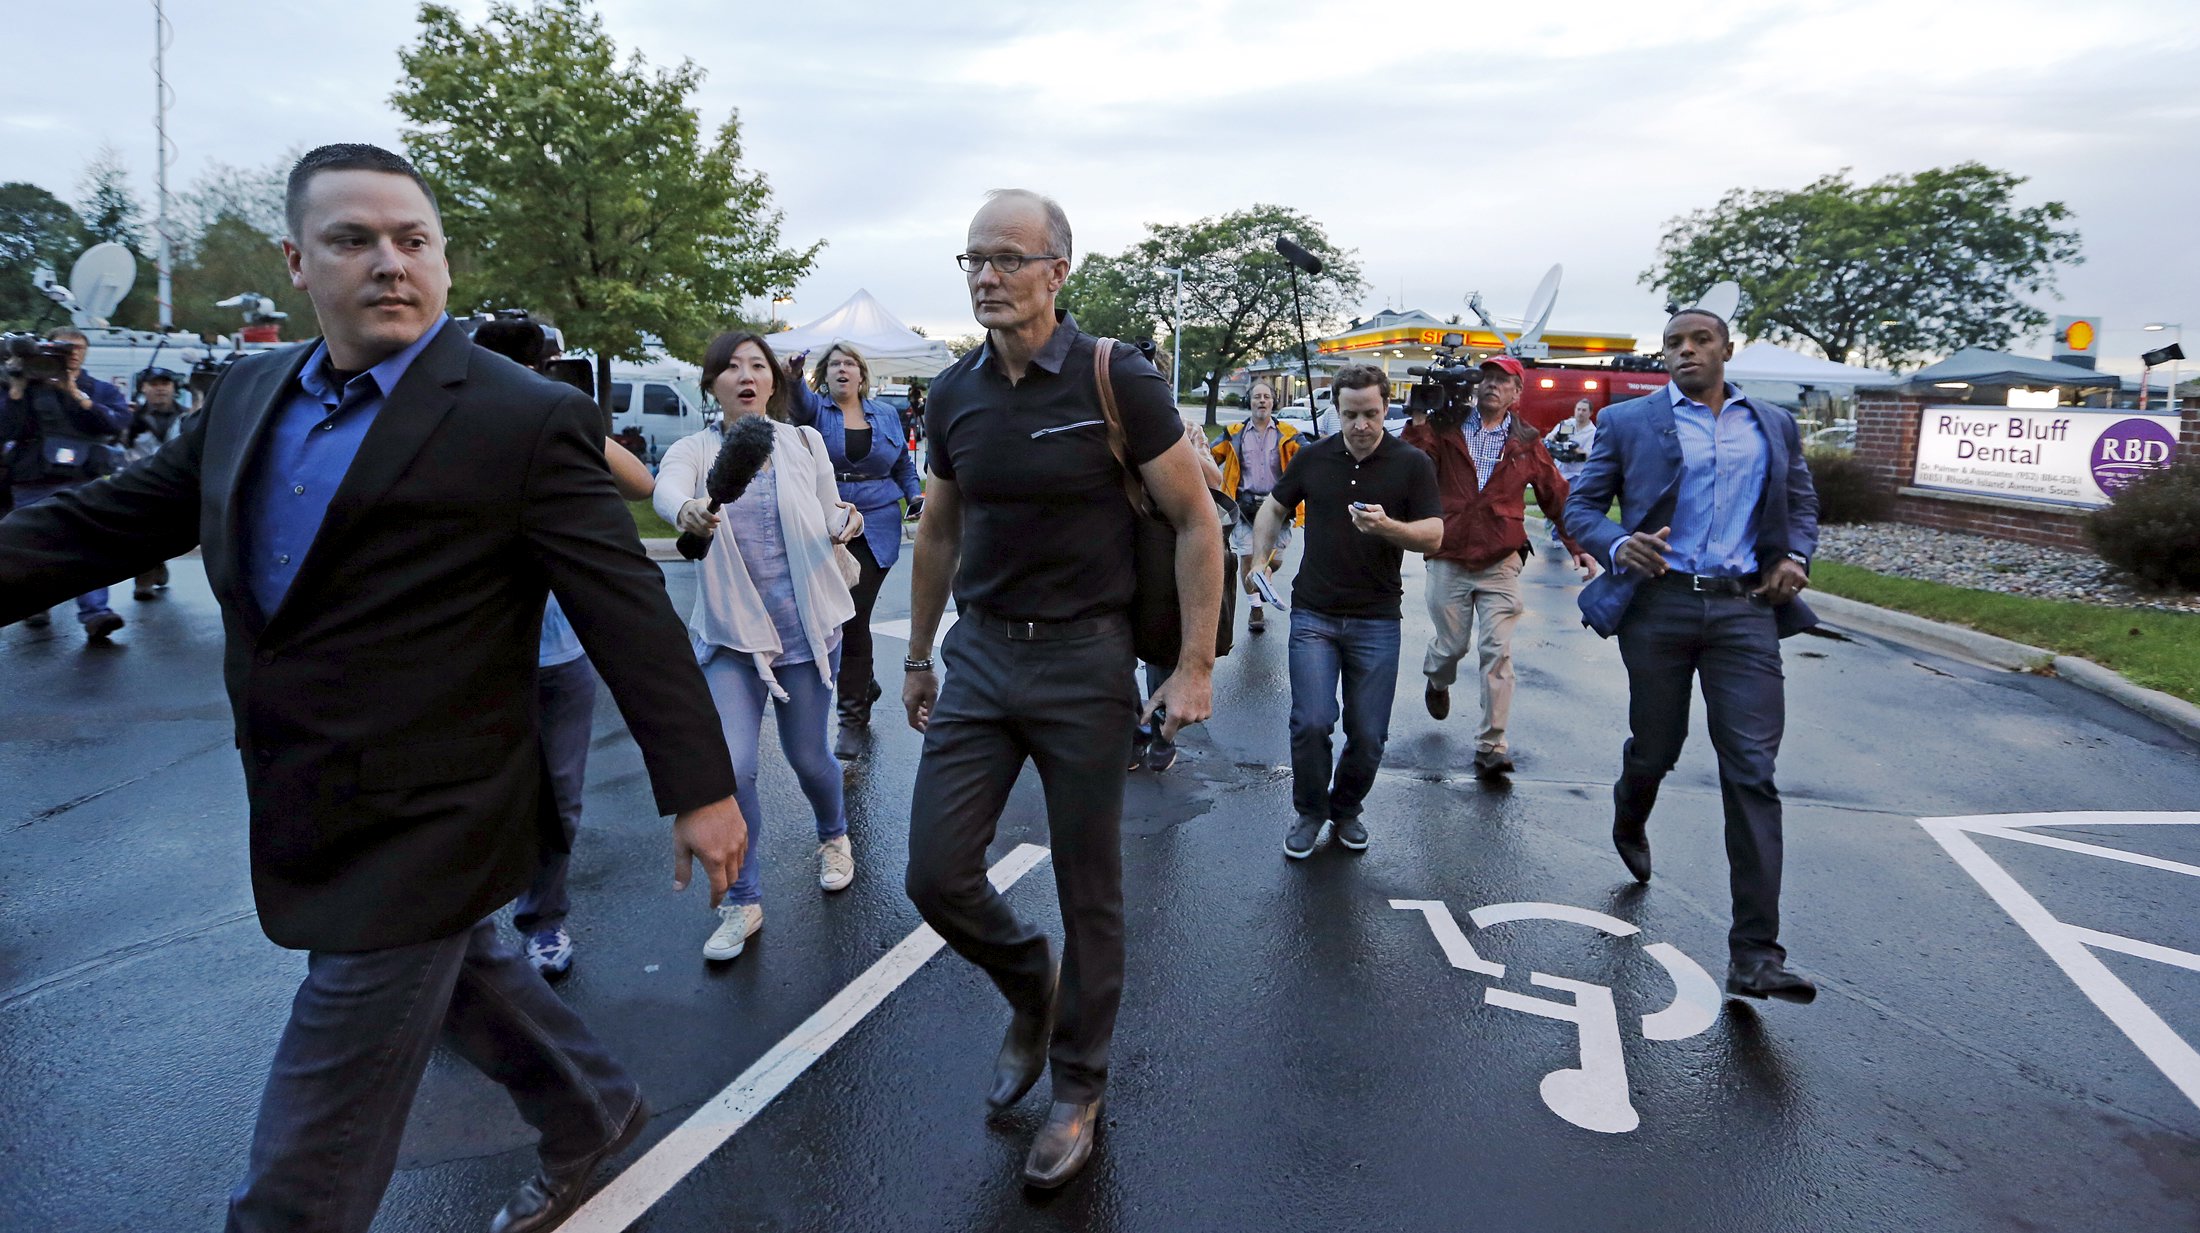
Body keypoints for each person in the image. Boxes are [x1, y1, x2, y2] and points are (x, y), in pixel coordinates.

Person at [0, 143, 748, 1233]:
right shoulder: (249, 393)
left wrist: (702, 786)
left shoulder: (519, 417)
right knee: (474, 983)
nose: (389, 263)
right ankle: (591, 1111)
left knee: (301, 1181)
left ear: (442, 261)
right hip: (304, 797)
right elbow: (97, 526)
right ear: (300, 262)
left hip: (434, 818)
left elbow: (624, 610)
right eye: (354, 240)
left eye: (413, 240)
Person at [902, 188, 1222, 1189]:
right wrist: (917, 653)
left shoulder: (1113, 376)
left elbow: (1197, 521)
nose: (988, 276)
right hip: (983, 657)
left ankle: (1078, 1088)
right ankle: (1028, 987)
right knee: (933, 873)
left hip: (1086, 660)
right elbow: (940, 531)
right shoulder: (953, 393)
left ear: (1057, 270)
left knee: (1093, 892)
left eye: (1007, 258)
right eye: (973, 261)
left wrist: (1195, 664)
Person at [1563, 307, 1821, 1005]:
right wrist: (1619, 543)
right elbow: (1580, 507)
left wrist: (1795, 556)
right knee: (1658, 742)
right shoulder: (1628, 422)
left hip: (1746, 609)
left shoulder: (1772, 423)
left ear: (1726, 349)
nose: (1685, 351)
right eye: (1673, 342)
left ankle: (1756, 953)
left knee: (1752, 770)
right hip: (1660, 603)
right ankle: (1630, 805)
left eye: (1699, 340)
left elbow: (1800, 503)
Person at [658, 330, 863, 961]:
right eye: (731, 367)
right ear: (712, 382)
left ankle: (834, 835)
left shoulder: (804, 441)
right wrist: (686, 511)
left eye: (757, 366)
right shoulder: (695, 449)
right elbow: (670, 490)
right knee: (735, 765)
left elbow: (832, 510)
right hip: (732, 637)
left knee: (809, 759)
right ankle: (741, 899)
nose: (745, 376)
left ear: (773, 381)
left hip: (806, 632)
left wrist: (845, 521)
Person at [471, 317, 659, 981]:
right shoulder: (453, 433)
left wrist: (568, 419)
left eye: (540, 368)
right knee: (467, 798)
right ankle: (454, 940)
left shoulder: (558, 426)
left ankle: (544, 919)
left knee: (560, 796)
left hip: (561, 657)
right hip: (477, 663)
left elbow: (640, 483)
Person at [1246, 363, 1441, 860]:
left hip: (1377, 619)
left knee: (1369, 733)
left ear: (1386, 408)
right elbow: (1273, 507)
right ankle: (1310, 811)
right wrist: (1262, 559)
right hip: (1314, 614)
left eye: (1371, 414)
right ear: (1336, 409)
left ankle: (1346, 808)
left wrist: (1388, 528)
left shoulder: (1411, 463)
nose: (1361, 425)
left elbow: (1434, 535)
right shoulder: (1313, 458)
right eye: (1351, 414)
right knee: (1311, 721)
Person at [1400, 355, 1596, 779]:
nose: (1492, 385)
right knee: (1451, 647)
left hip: (1501, 560)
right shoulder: (1447, 428)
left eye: (1502, 381)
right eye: (1486, 377)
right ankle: (1438, 680)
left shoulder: (1527, 441)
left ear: (1516, 393)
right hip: (1449, 554)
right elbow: (1411, 462)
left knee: (1497, 652)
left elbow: (1555, 495)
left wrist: (1577, 545)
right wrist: (1418, 417)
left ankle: (1492, 744)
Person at [783, 343, 925, 760]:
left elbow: (901, 463)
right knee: (840, 614)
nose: (842, 369)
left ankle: (851, 721)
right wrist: (793, 378)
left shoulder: (884, 414)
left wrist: (915, 496)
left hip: (877, 521)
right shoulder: (814, 411)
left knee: (851, 614)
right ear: (824, 375)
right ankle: (864, 685)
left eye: (850, 364)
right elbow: (798, 402)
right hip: (826, 519)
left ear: (862, 375)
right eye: (834, 365)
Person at [3, 326, 133, 638]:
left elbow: (117, 423)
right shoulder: (24, 384)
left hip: (83, 477)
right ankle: (35, 603)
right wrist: (17, 389)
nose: (70, 354)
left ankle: (96, 614)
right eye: (62, 348)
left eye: (76, 349)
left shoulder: (98, 388)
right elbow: (5, 429)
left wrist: (76, 393)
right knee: (32, 544)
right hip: (32, 478)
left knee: (88, 542)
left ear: (85, 353)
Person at [1130, 418, 1230, 774]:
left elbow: (1215, 481)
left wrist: (1167, 443)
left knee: (1162, 646)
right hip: (1118, 545)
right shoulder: (1104, 422)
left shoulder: (1182, 427)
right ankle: (1131, 727)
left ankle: (1161, 732)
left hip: (1162, 548)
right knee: (1114, 645)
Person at [1210, 380, 1302, 634]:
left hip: (1278, 507)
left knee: (1276, 559)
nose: (1262, 401)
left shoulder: (1289, 434)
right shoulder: (1234, 433)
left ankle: (1264, 576)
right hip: (1244, 507)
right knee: (1248, 557)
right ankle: (1255, 608)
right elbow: (1210, 454)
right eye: (1257, 397)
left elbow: (1307, 455)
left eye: (1266, 397)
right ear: (1249, 401)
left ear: (1273, 402)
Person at [125, 367, 192, 601]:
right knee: (141, 530)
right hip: (139, 480)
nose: (160, 388)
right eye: (154, 384)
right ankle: (143, 578)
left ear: (174, 388)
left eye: (165, 383)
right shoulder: (131, 417)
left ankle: (158, 562)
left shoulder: (187, 416)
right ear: (143, 388)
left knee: (169, 530)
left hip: (176, 481)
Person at [1543, 399, 1597, 549]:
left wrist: (1574, 451)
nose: (1580, 413)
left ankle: (1558, 536)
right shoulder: (1569, 425)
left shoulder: (1592, 432)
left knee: (1566, 503)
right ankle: (1551, 518)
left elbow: (1589, 455)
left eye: (1584, 410)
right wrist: (1554, 444)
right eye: (1578, 409)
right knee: (1553, 501)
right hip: (1560, 470)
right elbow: (1552, 438)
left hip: (1577, 473)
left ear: (1590, 413)